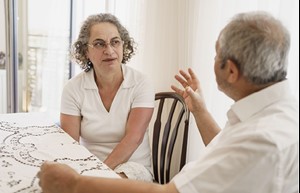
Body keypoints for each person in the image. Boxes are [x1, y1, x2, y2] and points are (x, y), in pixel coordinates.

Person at [37, 11, 299, 193]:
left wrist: (74, 185)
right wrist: (200, 111)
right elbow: (224, 144)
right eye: (100, 44)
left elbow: (170, 191)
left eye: (215, 53)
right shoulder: (266, 115)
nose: (109, 50)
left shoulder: (264, 138)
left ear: (230, 70)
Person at [59, 13, 155, 181]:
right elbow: (71, 146)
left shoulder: (141, 83)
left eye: (115, 42)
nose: (109, 50)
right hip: (88, 168)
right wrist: (86, 174)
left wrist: (98, 175)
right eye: (99, 44)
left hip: (132, 166)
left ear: (123, 45)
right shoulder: (73, 89)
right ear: (85, 51)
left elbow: (134, 138)